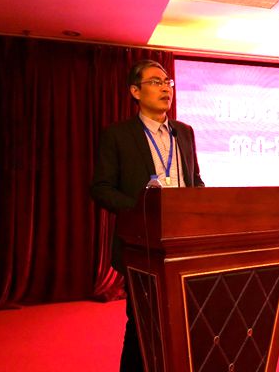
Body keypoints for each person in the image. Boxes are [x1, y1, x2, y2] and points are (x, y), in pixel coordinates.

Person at [90, 59, 204, 371]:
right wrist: (141, 211)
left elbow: (195, 180)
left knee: (185, 322)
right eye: (156, 81)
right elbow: (101, 188)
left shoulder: (184, 132)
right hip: (142, 247)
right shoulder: (118, 135)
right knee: (143, 324)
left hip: (184, 244)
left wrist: (201, 207)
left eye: (168, 82)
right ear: (135, 91)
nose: (166, 87)